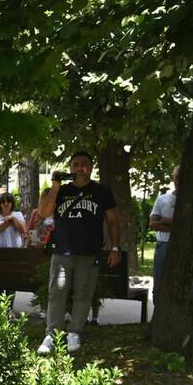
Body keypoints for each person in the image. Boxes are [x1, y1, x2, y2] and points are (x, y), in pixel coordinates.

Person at [35, 151, 122, 354]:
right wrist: (55, 186)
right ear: (70, 167)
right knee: (56, 294)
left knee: (83, 294)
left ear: (91, 168)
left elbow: (113, 221)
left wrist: (115, 248)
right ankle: (52, 335)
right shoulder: (60, 191)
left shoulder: (102, 191)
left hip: (89, 252)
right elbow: (44, 213)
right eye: (75, 164)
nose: (80, 168)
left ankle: (75, 332)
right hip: (61, 251)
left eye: (84, 164)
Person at [0, 192, 26, 304]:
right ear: (0, 204)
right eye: (3, 201)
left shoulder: (18, 215)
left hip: (13, 254)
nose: (6, 203)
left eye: (8, 201)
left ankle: (9, 309)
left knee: (11, 283)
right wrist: (8, 222)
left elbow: (23, 230)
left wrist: (13, 219)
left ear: (12, 203)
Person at [149, 165, 178, 305]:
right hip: (164, 245)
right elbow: (153, 224)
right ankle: (157, 309)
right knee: (159, 279)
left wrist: (168, 221)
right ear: (173, 178)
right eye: (177, 177)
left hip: (184, 246)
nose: (179, 180)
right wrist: (176, 226)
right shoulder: (162, 199)